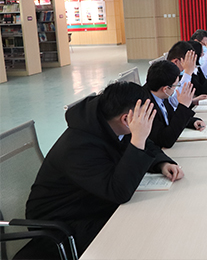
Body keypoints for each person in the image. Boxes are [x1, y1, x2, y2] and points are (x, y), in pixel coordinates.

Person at [16, 82, 183, 259]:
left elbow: (144, 144)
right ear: (126, 120)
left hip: (92, 202)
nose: (148, 122)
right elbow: (119, 192)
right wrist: (138, 139)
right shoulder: (79, 147)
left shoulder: (106, 123)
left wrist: (162, 163)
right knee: (141, 237)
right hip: (64, 222)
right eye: (145, 118)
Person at [144, 60, 205, 148]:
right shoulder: (146, 106)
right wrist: (183, 106)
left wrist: (192, 122)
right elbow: (166, 140)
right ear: (165, 89)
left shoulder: (159, 94)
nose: (176, 88)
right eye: (176, 85)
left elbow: (171, 116)